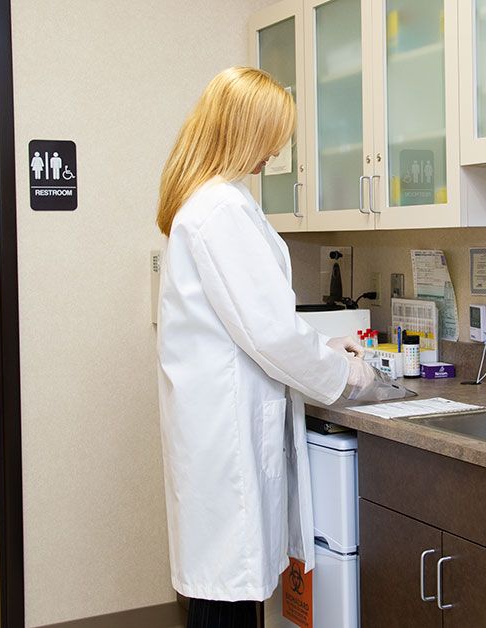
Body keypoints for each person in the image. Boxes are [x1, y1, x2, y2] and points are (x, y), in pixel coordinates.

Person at [155, 66, 375, 628]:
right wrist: (342, 373)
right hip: (226, 438)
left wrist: (322, 343)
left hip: (215, 426)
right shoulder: (221, 209)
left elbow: (249, 324)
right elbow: (270, 333)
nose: (279, 149)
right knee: (225, 601)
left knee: (222, 597)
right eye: (274, 135)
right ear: (246, 131)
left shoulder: (208, 204)